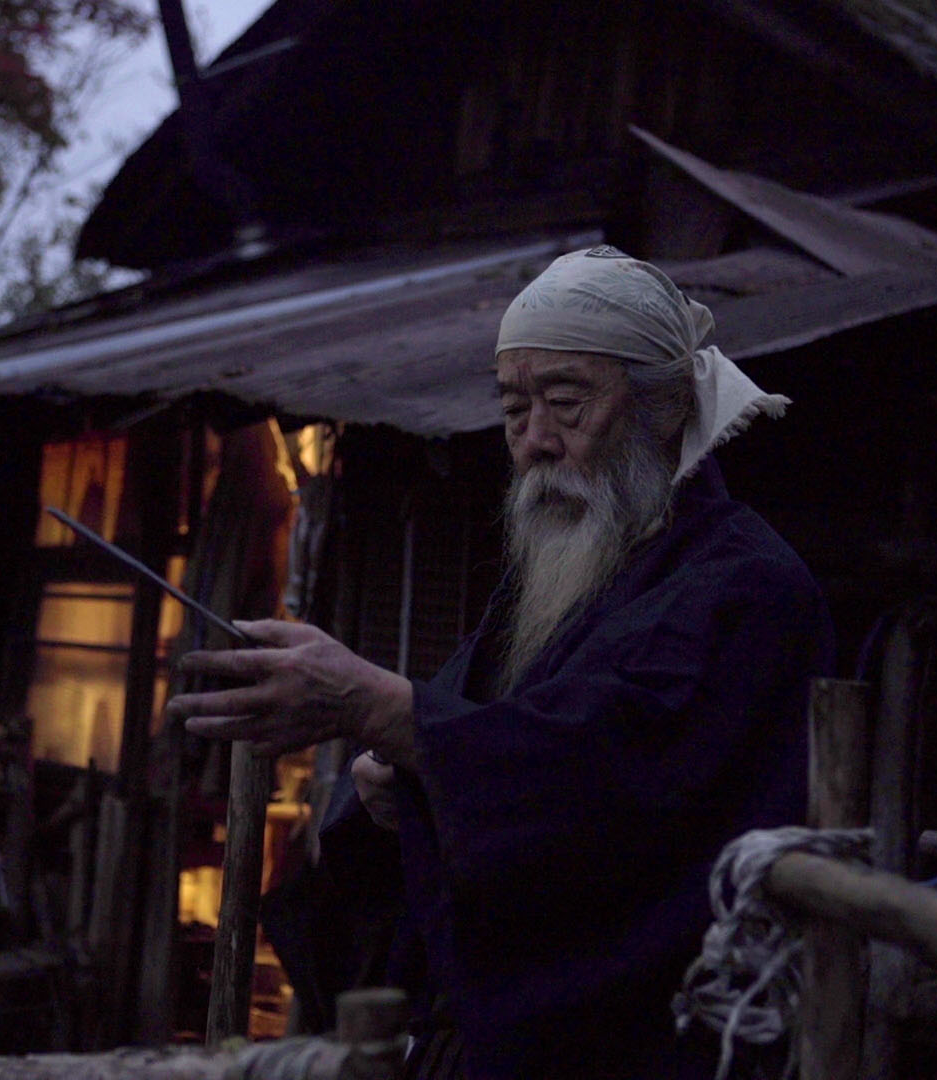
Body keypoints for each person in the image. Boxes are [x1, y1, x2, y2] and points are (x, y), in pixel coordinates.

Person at [166, 246, 832, 1079]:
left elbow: (606, 778)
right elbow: (479, 737)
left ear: (664, 408)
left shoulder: (748, 589)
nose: (535, 442)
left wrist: (388, 713)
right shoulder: (563, 576)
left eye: (566, 403)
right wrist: (392, 777)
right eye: (515, 410)